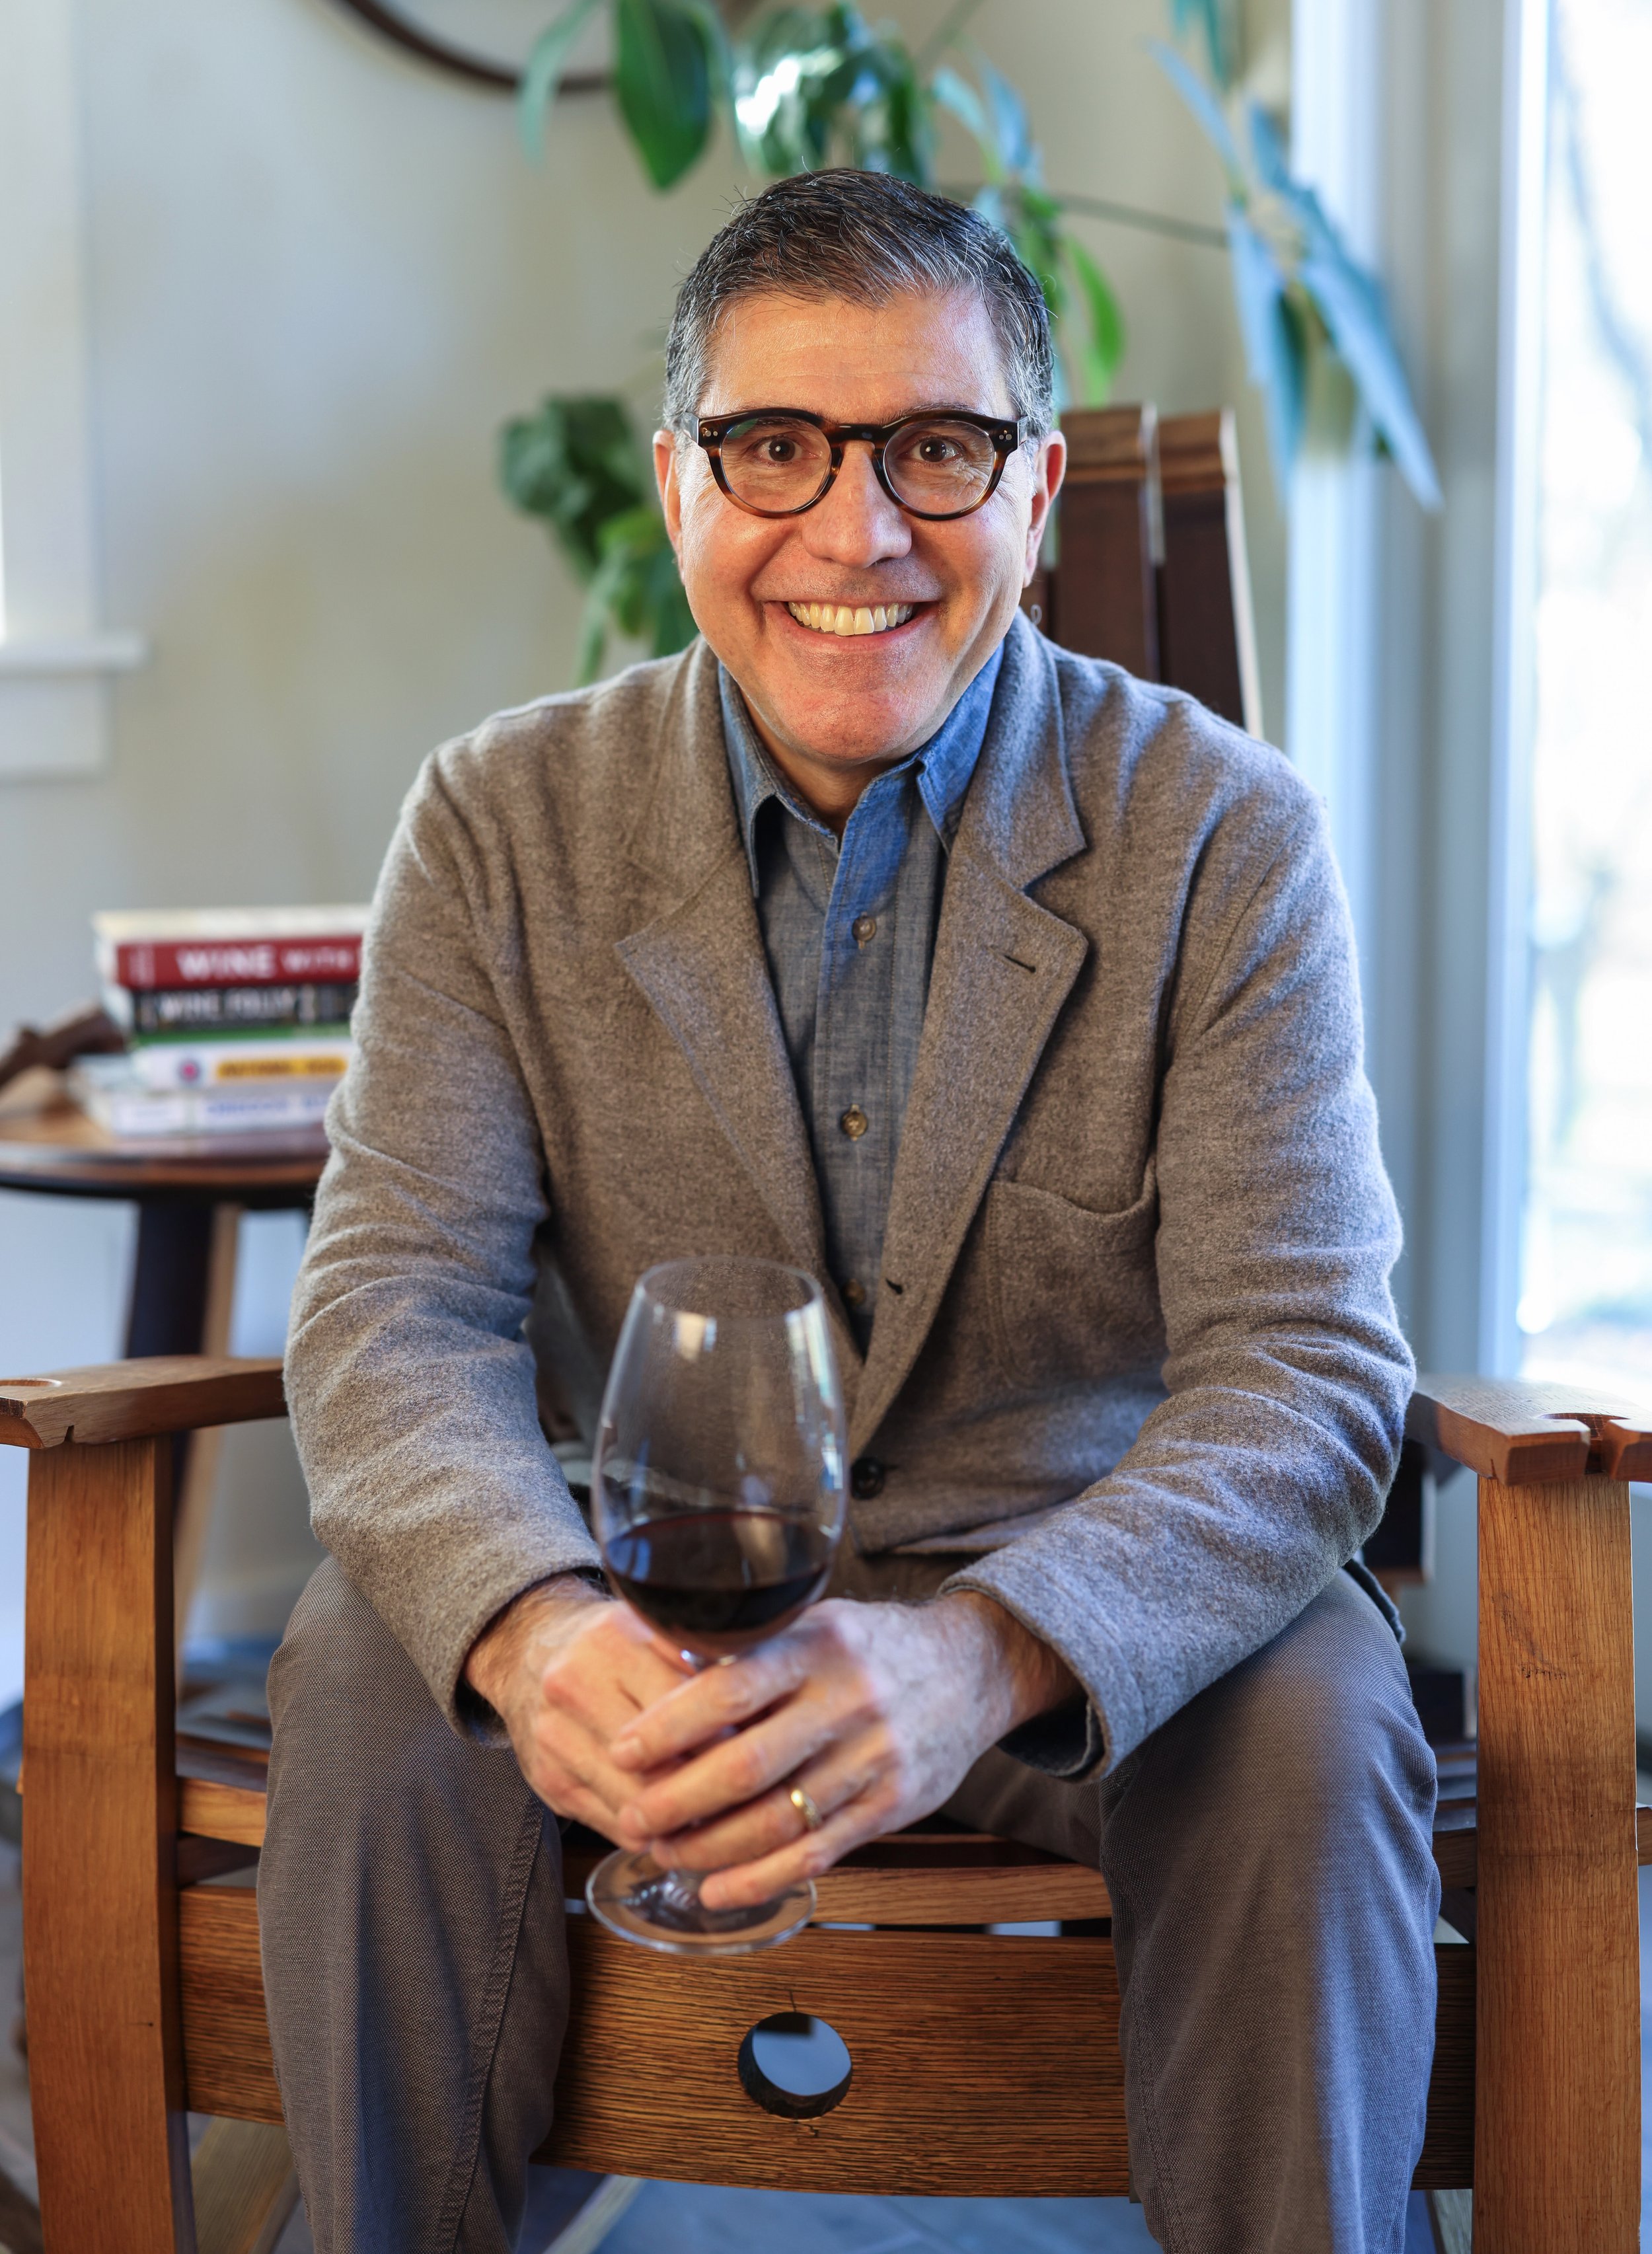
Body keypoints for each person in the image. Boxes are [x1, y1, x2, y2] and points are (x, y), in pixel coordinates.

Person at [262, 167, 1439, 2254]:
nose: (857, 526)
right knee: (381, 1654)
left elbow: (1310, 1371)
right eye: (775, 446)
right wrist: (533, 1629)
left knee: (1317, 1716)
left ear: (1036, 483)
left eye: (936, 448)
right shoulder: (495, 823)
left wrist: (987, 1648)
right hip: (652, 1587)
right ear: (678, 485)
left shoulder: (1221, 838)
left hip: (1080, 1606)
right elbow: (390, 1316)